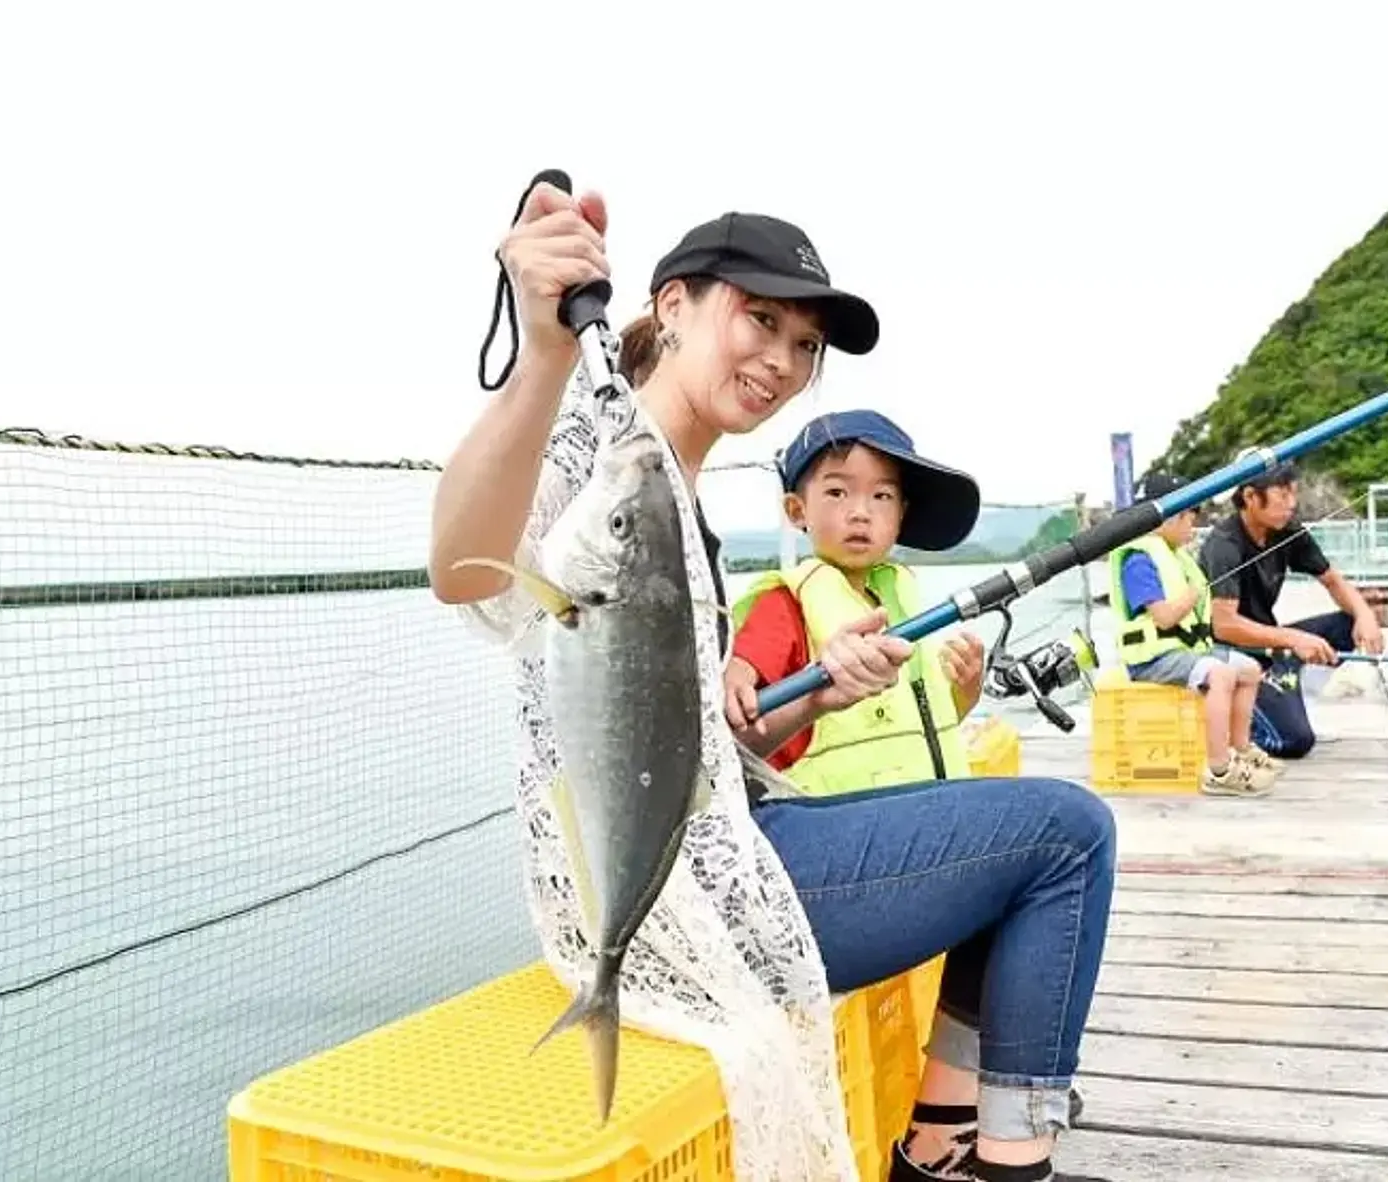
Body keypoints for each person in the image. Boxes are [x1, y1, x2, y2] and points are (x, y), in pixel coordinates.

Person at [430, 183, 1114, 1182]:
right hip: (689, 902)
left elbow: (692, 745)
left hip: (729, 846)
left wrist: (814, 699)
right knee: (1066, 837)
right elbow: (461, 571)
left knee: (1010, 825)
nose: (782, 362)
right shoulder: (606, 450)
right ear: (672, 307)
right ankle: (1009, 1165)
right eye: (759, 319)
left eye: (804, 344)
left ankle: (941, 1146)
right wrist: (540, 354)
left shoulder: (682, 492)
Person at [723, 409, 986, 792]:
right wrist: (733, 675)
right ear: (797, 511)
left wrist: (965, 693)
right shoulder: (786, 603)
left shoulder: (899, 596)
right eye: (836, 493)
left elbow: (917, 724)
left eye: (882, 496)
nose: (860, 513)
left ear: (901, 514)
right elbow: (738, 686)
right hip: (846, 830)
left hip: (931, 821)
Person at [1197, 460, 1384, 760]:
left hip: (1273, 648)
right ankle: (1239, 721)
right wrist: (1294, 640)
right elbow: (1224, 626)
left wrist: (1365, 616)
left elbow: (1333, 580)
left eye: (1293, 494)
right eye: (1282, 495)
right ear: (1250, 497)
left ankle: (1283, 678)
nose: (1291, 504)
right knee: (1295, 741)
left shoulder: (1286, 531)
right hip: (1232, 656)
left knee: (1349, 622)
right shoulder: (1224, 545)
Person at [1104, 472, 1276, 796]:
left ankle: (1240, 749)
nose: (1193, 524)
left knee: (1250, 669)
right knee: (1222, 674)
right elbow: (1165, 617)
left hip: (1184, 653)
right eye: (1188, 515)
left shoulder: (1175, 556)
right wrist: (1194, 594)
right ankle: (1219, 770)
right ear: (1168, 517)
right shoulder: (1139, 561)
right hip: (1151, 661)